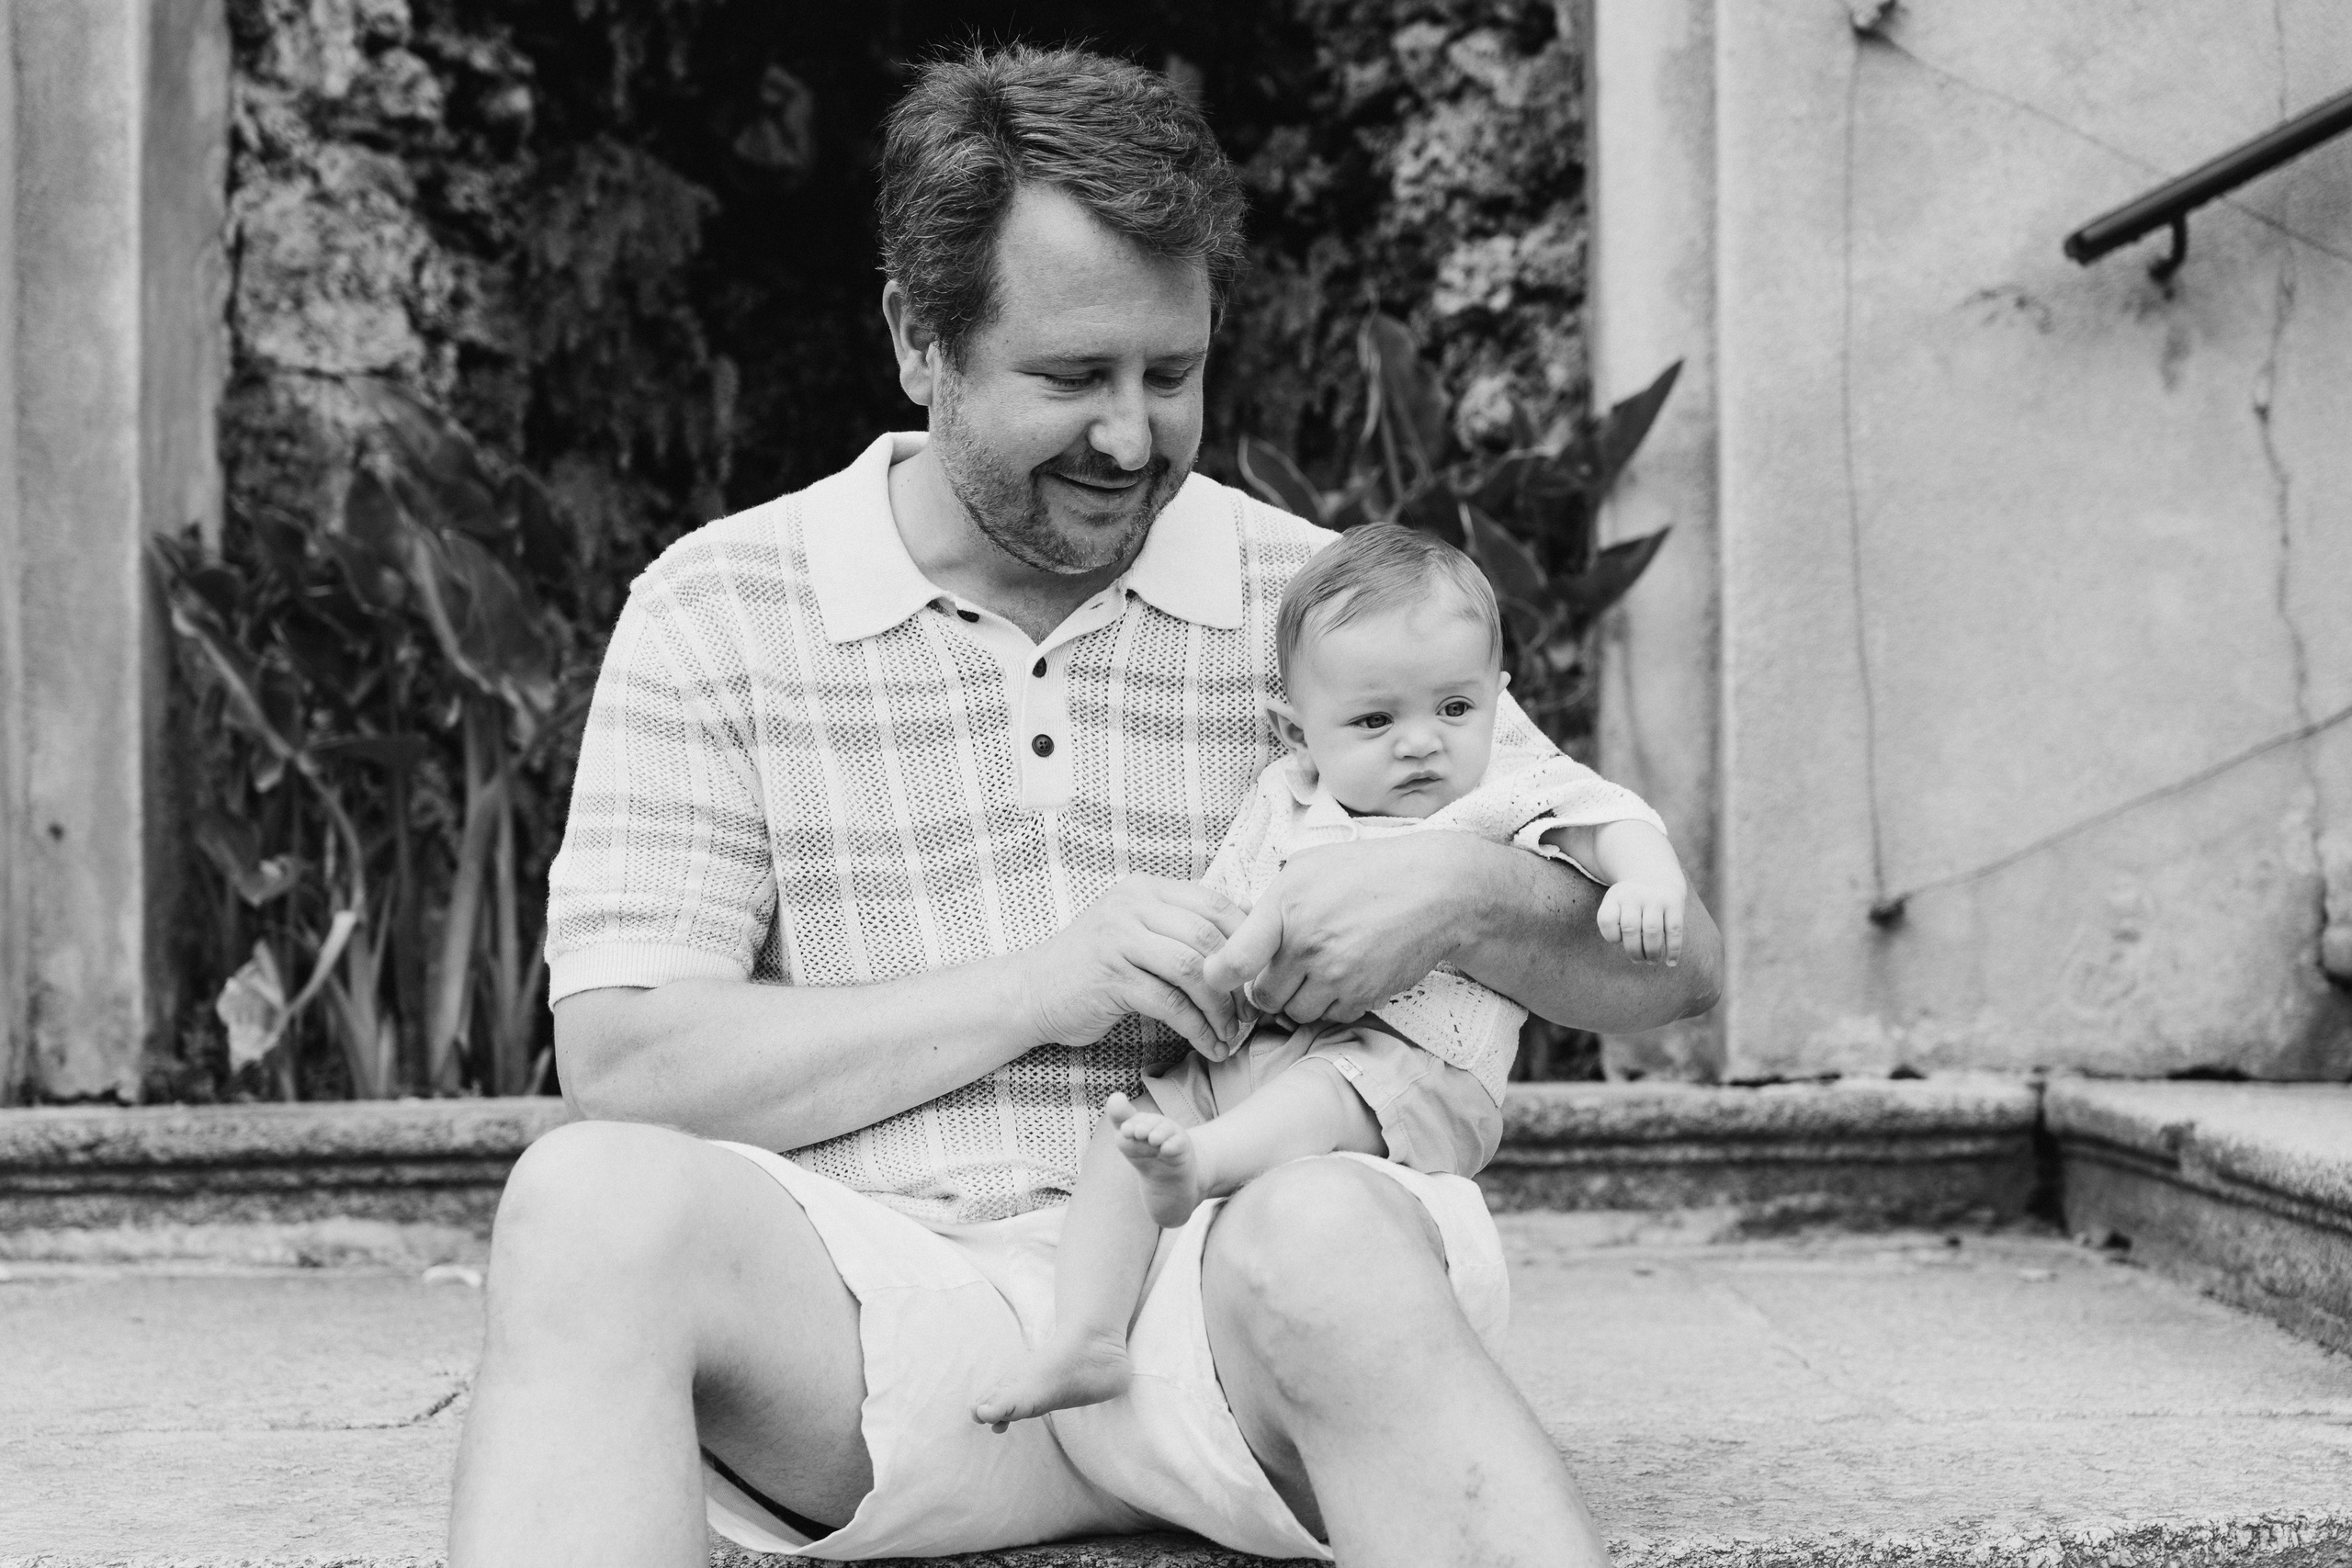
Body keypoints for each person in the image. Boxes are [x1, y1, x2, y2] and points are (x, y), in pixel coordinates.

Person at [447, 43, 1719, 1568]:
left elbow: (1674, 972)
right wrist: (1043, 985)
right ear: (918, 339)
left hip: (1244, 1298)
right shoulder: (718, 605)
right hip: (876, 1329)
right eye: (1070, 378)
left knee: (1323, 1226)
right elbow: (627, 1059)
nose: (1131, 437)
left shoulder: (1313, 599)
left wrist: (1462, 893)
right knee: (583, 1202)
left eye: (1170, 376)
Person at [972, 524, 1689, 1430]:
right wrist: (1207, 965)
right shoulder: (1284, 798)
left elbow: (1608, 816)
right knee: (1127, 1136)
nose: (1421, 743)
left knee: (1322, 1092)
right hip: (1266, 1047)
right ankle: (1086, 1335)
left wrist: (1647, 880)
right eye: (1375, 721)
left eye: (1455, 709)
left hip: (1416, 1067)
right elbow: (1232, 910)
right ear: (1296, 732)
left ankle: (1205, 1166)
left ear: (1497, 699)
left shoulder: (1500, 789)